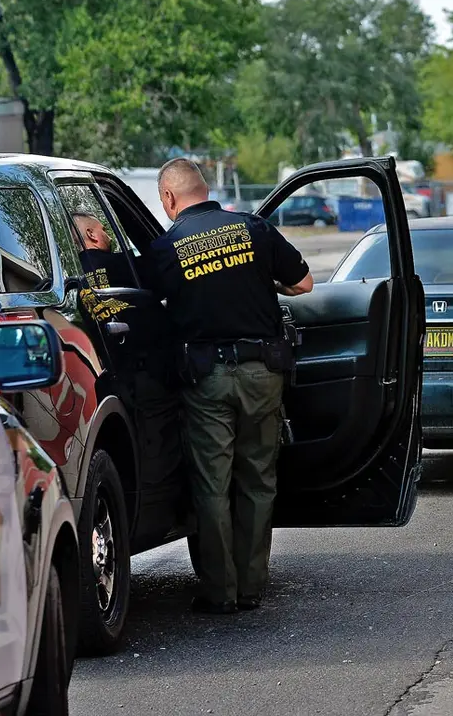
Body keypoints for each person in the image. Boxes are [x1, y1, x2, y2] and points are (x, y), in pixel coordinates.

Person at [150, 157, 313, 614]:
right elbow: (305, 284)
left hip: (206, 378)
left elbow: (145, 304)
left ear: (169, 198)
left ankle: (219, 591)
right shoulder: (255, 229)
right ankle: (252, 587)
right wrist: (264, 283)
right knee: (258, 479)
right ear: (206, 188)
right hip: (263, 373)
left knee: (211, 484)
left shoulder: (167, 248)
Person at [72, 212, 140, 288]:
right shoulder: (125, 263)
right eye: (103, 230)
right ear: (91, 234)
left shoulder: (73, 281)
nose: (110, 238)